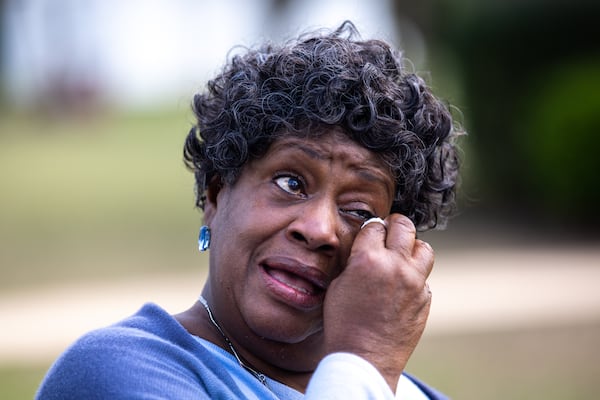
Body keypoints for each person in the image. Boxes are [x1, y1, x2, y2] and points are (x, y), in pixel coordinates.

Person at [36, 21, 462, 399]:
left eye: (356, 210)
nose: (318, 229)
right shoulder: (115, 374)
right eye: (290, 183)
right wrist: (365, 360)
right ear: (218, 193)